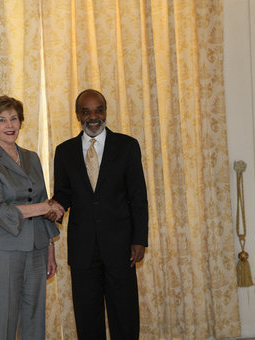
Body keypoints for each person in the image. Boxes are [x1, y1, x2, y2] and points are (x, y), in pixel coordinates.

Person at [53, 89, 148, 340]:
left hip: (121, 247)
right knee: (87, 318)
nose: (93, 116)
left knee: (125, 317)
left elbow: (138, 197)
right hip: (83, 250)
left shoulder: (127, 146)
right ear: (77, 115)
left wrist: (139, 239)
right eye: (86, 111)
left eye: (98, 110)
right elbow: (63, 194)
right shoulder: (64, 151)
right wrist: (50, 210)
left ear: (105, 112)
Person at [0, 95, 64, 340]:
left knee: (34, 317)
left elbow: (42, 197)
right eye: (2, 120)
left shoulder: (32, 157)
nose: (9, 125)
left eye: (14, 118)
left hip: (37, 248)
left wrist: (49, 249)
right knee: (3, 319)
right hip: (4, 249)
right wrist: (45, 207)